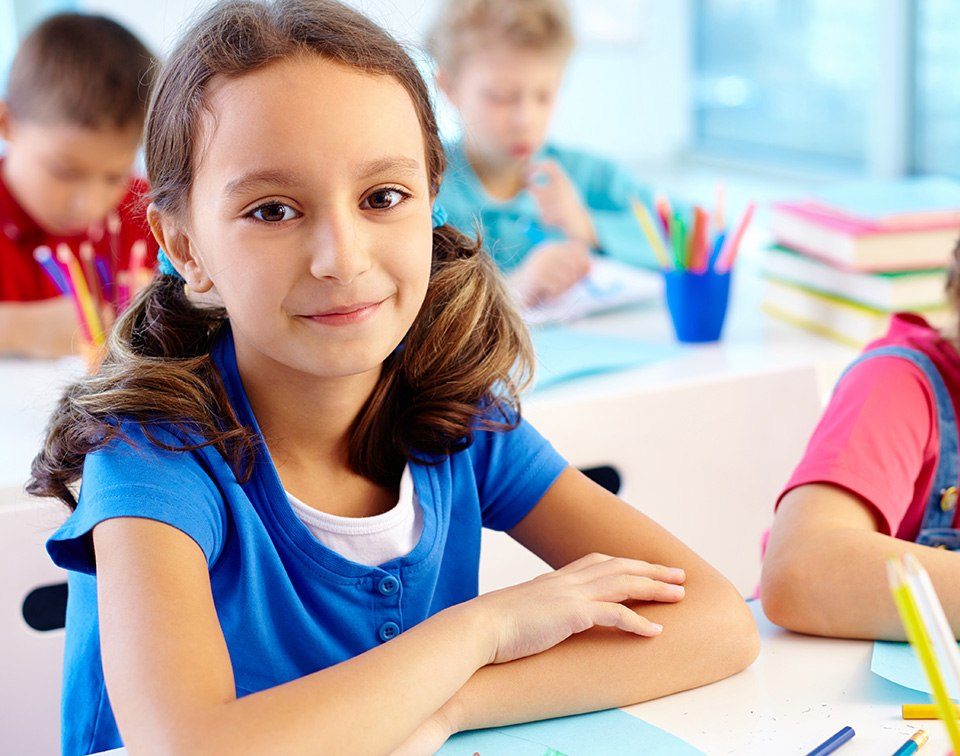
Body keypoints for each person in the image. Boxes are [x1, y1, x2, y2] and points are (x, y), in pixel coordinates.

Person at [31, 2, 758, 753]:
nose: (342, 259)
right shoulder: (153, 460)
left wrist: (450, 705)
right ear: (185, 246)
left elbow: (715, 623)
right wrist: (486, 628)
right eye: (273, 210)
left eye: (383, 198)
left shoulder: (455, 413)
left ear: (431, 202)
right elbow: (196, 746)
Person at [428, 0, 657, 307]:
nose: (526, 119)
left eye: (544, 96)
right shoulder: (424, 186)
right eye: (500, 97)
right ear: (449, 87)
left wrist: (588, 227)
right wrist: (509, 290)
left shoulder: (585, 176)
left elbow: (693, 239)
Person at [0, 12, 157, 357]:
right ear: (7, 123)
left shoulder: (152, 214)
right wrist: (15, 327)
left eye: (115, 176)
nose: (89, 204)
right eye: (64, 172)